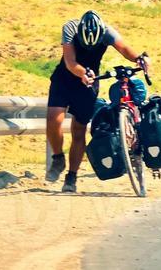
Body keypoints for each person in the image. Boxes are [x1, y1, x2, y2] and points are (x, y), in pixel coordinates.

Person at [46, 10, 148, 193]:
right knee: (54, 119)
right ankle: (57, 157)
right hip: (65, 79)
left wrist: (139, 59)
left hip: (89, 85)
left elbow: (124, 49)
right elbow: (70, 61)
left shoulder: (108, 32)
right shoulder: (70, 28)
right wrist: (82, 73)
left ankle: (71, 177)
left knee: (78, 131)